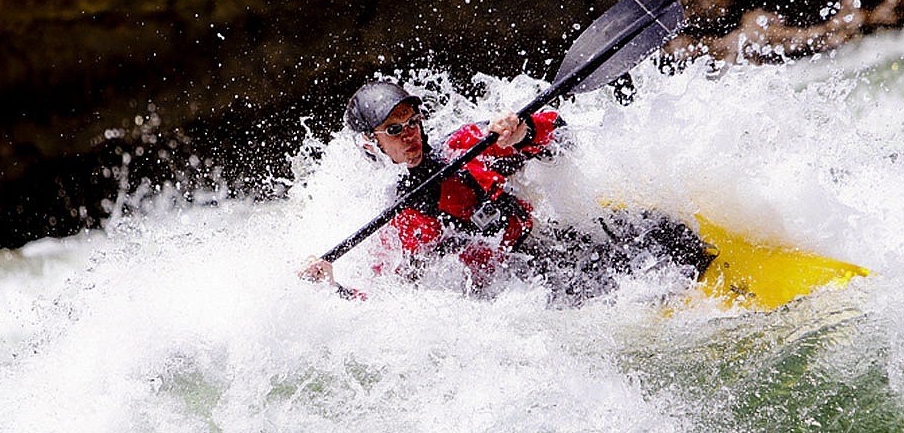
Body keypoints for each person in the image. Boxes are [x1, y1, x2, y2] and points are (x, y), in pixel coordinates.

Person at [300, 81, 715, 306]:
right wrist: (332, 287)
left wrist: (521, 133)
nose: (409, 133)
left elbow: (563, 136)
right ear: (372, 145)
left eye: (411, 120)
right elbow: (392, 307)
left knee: (666, 230)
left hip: (545, 247)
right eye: (394, 129)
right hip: (517, 293)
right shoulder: (401, 221)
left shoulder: (465, 146)